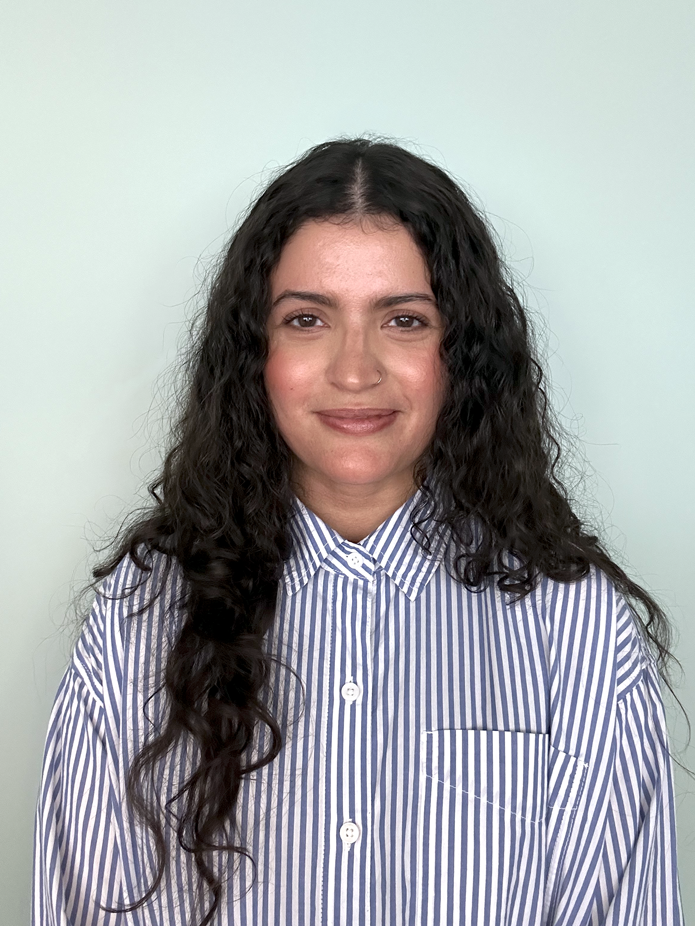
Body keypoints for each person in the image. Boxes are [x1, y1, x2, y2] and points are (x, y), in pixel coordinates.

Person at [32, 137, 684, 926]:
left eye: (404, 320)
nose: (353, 370)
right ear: (254, 355)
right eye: (306, 319)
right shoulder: (140, 617)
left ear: (460, 354)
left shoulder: (574, 628)